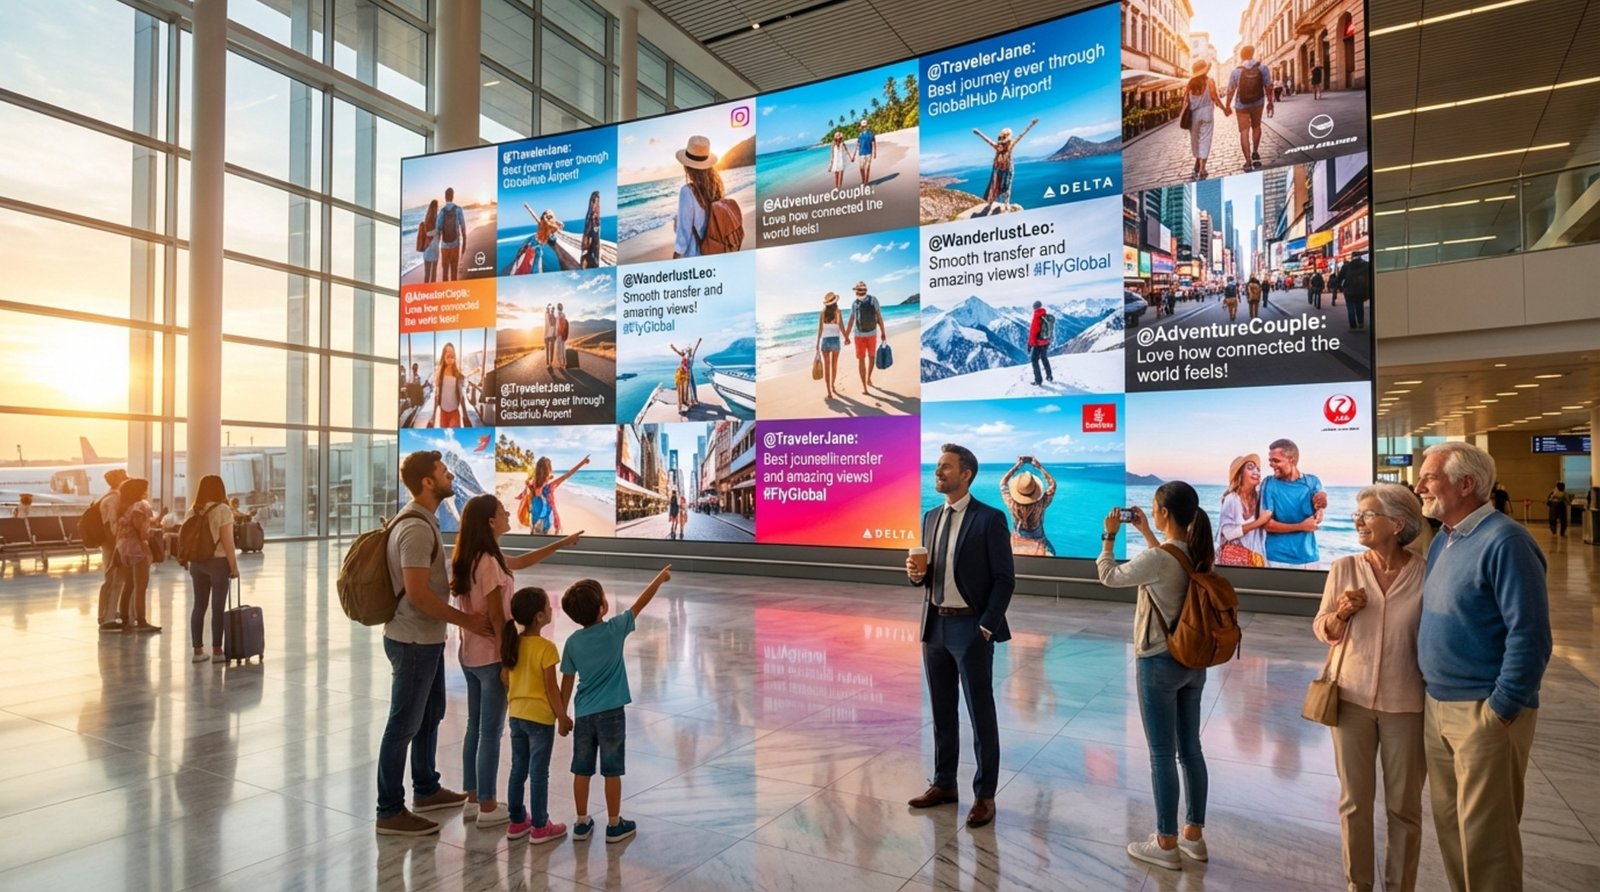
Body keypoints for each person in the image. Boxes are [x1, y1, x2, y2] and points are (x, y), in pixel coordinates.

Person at [1415, 442, 1551, 891]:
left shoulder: (1507, 541)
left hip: (1482, 713)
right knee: (1452, 831)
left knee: (1486, 840)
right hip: (1438, 707)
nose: (1419, 486)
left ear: (1466, 484)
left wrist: (1501, 709)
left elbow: (1530, 635)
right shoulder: (1446, 540)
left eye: (1429, 478)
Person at [374, 450, 496, 837]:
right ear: (428, 482)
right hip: (411, 640)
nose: (449, 476)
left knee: (430, 715)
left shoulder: (424, 520)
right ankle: (389, 809)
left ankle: (426, 789)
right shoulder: (415, 528)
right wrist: (468, 621)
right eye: (444, 472)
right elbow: (416, 593)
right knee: (403, 725)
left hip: (426, 639)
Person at [1314, 483, 1428, 892]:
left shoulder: (1425, 573)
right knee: (1354, 803)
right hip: (1350, 699)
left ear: (1397, 524)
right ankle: (1357, 886)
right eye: (1357, 514)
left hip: (1407, 704)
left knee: (1404, 808)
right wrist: (1340, 616)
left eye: (1367, 514)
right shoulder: (1344, 568)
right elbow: (1321, 627)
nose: (1357, 520)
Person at [1096, 482, 1214, 871]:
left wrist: (1109, 537)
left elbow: (1110, 576)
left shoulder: (1161, 559)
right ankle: (1193, 836)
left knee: (1162, 754)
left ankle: (1165, 842)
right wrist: (1148, 532)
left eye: (1153, 508)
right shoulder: (1197, 552)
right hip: (1192, 661)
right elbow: (1164, 558)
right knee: (1190, 750)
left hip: (1158, 662)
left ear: (1165, 512)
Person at [450, 494, 582, 828]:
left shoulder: (474, 557)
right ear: (491, 521)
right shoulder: (490, 563)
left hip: (469, 655)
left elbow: (521, 562)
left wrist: (561, 544)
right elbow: (497, 617)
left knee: (475, 727)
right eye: (503, 512)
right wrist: (507, 663)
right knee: (490, 731)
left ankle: (473, 796)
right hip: (492, 657)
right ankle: (489, 806)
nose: (509, 514)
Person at [904, 444, 1014, 828]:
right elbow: (928, 574)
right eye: (937, 467)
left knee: (981, 714)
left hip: (971, 628)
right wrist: (917, 576)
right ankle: (944, 783)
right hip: (935, 625)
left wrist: (985, 625)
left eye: (945, 467)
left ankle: (985, 795)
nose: (938, 472)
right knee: (941, 712)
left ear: (966, 473)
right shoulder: (930, 517)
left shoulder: (990, 519)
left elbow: (1004, 579)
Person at [558, 566, 673, 843]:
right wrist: (659, 578)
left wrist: (562, 717)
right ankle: (613, 824)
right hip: (612, 714)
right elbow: (639, 605)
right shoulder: (614, 630)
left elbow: (567, 682)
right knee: (612, 770)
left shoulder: (572, 642)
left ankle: (582, 822)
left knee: (581, 770)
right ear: (602, 607)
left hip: (584, 714)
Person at [501, 586, 573, 843]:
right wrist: (562, 717)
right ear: (539, 618)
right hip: (540, 719)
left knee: (518, 768)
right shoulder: (546, 648)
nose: (550, 609)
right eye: (547, 606)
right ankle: (541, 826)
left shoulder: (513, 643)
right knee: (539, 772)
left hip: (516, 714)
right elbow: (551, 688)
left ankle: (517, 820)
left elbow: (505, 678)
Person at [186, 474, 238, 664]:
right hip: (218, 562)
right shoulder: (223, 510)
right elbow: (228, 542)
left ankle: (197, 651)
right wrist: (234, 566)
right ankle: (217, 651)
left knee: (199, 606)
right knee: (218, 607)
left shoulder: (193, 510)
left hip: (197, 563)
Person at [1260, 438, 1328, 569]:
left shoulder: (1312, 482)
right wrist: (1302, 526)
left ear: (1292, 459)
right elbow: (1268, 525)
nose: (1271, 464)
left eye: (1276, 460)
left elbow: (1320, 504)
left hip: (1309, 557)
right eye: (1270, 460)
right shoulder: (1269, 483)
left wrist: (1321, 507)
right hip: (1276, 558)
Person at [113, 477, 159, 633]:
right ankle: (142, 621)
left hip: (122, 548)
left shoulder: (125, 507)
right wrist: (151, 538)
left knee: (129, 585)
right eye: (145, 488)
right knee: (141, 585)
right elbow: (143, 533)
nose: (147, 491)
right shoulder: (141, 507)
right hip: (137, 550)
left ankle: (124, 618)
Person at [672, 135, 724, 259]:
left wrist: (676, 255)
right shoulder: (715, 188)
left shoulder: (687, 192)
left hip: (696, 254)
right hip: (716, 249)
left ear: (687, 166)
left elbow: (684, 233)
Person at [972, 118, 1038, 213]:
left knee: (1007, 187)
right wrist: (979, 133)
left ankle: (1006, 203)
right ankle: (990, 204)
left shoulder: (1010, 146)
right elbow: (987, 140)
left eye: (1003, 142)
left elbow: (1021, 135)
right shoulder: (997, 147)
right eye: (1001, 142)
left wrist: (1031, 124)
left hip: (1007, 170)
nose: (1001, 144)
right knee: (994, 188)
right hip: (997, 169)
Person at [1216, 453, 1270, 567]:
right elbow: (1228, 533)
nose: (1256, 472)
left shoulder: (1261, 497)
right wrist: (1259, 522)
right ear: (1240, 474)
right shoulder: (1231, 499)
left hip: (1257, 559)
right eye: (1250, 468)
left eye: (1258, 469)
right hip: (1233, 561)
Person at [1225, 45, 1274, 171]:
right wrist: (1270, 102)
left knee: (1244, 132)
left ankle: (1247, 161)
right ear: (1252, 54)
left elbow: (1230, 90)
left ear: (1241, 56)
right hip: (1258, 102)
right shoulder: (1262, 67)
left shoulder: (1236, 71)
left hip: (1241, 105)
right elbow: (1268, 86)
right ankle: (1255, 151)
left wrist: (1227, 106)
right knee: (1256, 127)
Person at [518, 455, 590, 535]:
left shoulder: (531, 487)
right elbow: (567, 475)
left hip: (535, 523)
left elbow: (528, 486)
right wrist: (582, 463)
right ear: (549, 470)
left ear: (537, 471)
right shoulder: (550, 486)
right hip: (549, 524)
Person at [1000, 458, 1056, 557]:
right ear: (1035, 490)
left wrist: (1017, 465)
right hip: (1038, 538)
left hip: (1019, 537)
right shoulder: (1041, 503)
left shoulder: (1012, 503)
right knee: (1052, 553)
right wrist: (1039, 466)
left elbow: (1003, 483)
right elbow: (1052, 485)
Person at [97, 468, 129, 630]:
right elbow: (112, 525)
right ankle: (107, 616)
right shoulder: (114, 500)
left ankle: (105, 613)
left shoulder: (105, 497)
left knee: (110, 580)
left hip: (108, 545)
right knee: (114, 580)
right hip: (112, 545)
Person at [1184, 61, 1228, 180]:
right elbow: (1215, 98)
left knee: (1196, 140)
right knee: (1205, 139)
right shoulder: (1210, 81)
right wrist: (1224, 109)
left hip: (1194, 115)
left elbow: (1186, 101)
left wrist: (1183, 115)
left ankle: (1197, 163)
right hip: (1207, 113)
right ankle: (1202, 168)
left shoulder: (1190, 83)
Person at [844, 281, 888, 393]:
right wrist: (883, 332)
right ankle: (868, 379)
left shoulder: (855, 303)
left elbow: (851, 321)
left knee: (861, 361)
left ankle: (864, 386)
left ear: (856, 292)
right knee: (871, 358)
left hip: (859, 336)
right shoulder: (873, 300)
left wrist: (846, 336)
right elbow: (879, 317)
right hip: (872, 334)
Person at [815, 292, 850, 400]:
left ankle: (829, 392)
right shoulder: (838, 312)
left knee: (827, 366)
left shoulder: (822, 313)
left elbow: (820, 330)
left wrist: (817, 343)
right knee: (834, 365)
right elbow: (841, 327)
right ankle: (833, 385)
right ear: (835, 301)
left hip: (825, 341)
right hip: (835, 341)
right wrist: (846, 337)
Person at [510, 209, 563, 276]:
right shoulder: (544, 224)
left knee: (533, 264)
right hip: (533, 242)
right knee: (528, 263)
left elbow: (561, 225)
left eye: (550, 216)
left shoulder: (549, 225)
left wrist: (552, 220)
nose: (547, 217)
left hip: (535, 245)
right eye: (547, 215)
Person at [433, 342, 467, 428]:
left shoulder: (457, 374)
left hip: (454, 412)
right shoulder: (439, 374)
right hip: (443, 413)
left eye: (451, 352)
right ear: (443, 355)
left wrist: (465, 415)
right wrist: (433, 416)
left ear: (454, 356)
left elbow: (461, 395)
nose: (449, 354)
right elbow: (437, 395)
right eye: (446, 351)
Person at [438, 187, 467, 281]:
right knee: (454, 271)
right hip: (455, 244)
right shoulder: (458, 209)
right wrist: (464, 242)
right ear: (453, 196)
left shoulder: (442, 211)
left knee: (445, 272)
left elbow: (438, 228)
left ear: (445, 197)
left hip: (444, 246)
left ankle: (446, 294)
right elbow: (463, 226)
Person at [1342, 253, 1371, 331]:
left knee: (1350, 308)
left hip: (1348, 291)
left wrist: (1339, 287)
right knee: (1359, 307)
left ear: (1352, 257)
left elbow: (1339, 278)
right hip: (1360, 290)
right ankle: (1361, 324)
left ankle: (1353, 326)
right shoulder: (1366, 265)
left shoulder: (1346, 266)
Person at [1027, 300, 1053, 386]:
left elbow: (1033, 333)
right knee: (1044, 358)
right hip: (1046, 342)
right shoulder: (1045, 315)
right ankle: (1049, 376)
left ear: (1034, 307)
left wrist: (1030, 345)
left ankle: (1038, 380)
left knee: (1034, 360)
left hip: (1038, 343)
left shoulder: (1036, 317)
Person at [418, 199, 440, 283]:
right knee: (432, 273)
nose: (437, 208)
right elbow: (428, 233)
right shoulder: (434, 218)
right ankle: (430, 292)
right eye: (437, 207)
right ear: (435, 207)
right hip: (432, 248)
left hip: (430, 249)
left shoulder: (428, 218)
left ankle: (427, 292)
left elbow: (429, 233)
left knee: (428, 274)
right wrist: (437, 230)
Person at [580, 190, 602, 269]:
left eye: (597, 201)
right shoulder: (589, 217)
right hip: (588, 247)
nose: (595, 204)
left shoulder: (597, 217)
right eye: (593, 201)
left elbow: (597, 234)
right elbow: (586, 234)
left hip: (595, 247)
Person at [855, 119, 876, 185]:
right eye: (863, 126)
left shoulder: (871, 134)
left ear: (867, 126)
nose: (864, 127)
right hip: (861, 153)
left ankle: (866, 181)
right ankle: (863, 180)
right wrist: (854, 154)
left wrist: (875, 152)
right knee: (861, 168)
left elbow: (874, 142)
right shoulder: (860, 135)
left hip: (869, 153)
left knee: (867, 168)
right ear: (861, 127)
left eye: (865, 126)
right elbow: (858, 144)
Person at [543, 304, 556, 371]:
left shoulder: (554, 317)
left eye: (552, 309)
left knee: (552, 349)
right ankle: (548, 363)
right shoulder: (546, 316)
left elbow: (555, 326)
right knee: (547, 349)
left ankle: (551, 363)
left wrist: (555, 334)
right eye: (550, 309)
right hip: (546, 335)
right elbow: (546, 319)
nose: (551, 310)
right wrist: (547, 307)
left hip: (552, 334)